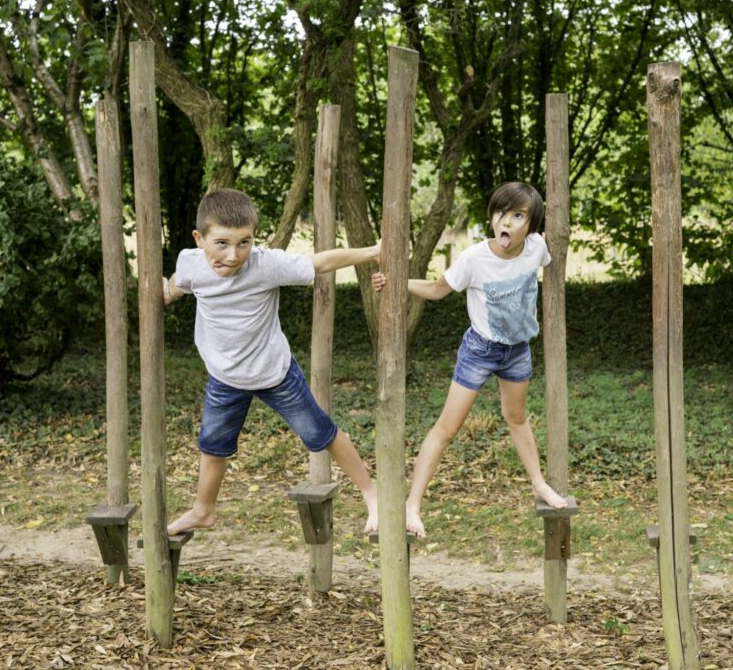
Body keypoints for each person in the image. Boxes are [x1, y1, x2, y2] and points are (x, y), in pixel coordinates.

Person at [163, 188, 383, 536]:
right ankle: (203, 510)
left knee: (321, 432)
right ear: (199, 238)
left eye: (244, 242)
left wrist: (373, 251)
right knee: (212, 446)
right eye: (221, 243)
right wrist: (168, 292)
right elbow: (181, 282)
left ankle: (372, 496)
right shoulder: (190, 262)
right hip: (225, 377)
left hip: (274, 374)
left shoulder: (265, 265)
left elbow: (321, 262)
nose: (234, 255)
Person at [383, 181, 569, 538]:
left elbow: (549, 241)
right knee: (447, 428)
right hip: (480, 351)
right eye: (502, 213)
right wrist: (396, 282)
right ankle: (412, 505)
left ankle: (539, 484)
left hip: (517, 351)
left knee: (516, 418)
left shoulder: (536, 249)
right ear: (492, 217)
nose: (508, 222)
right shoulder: (473, 258)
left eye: (519, 216)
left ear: (531, 225)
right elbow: (438, 291)